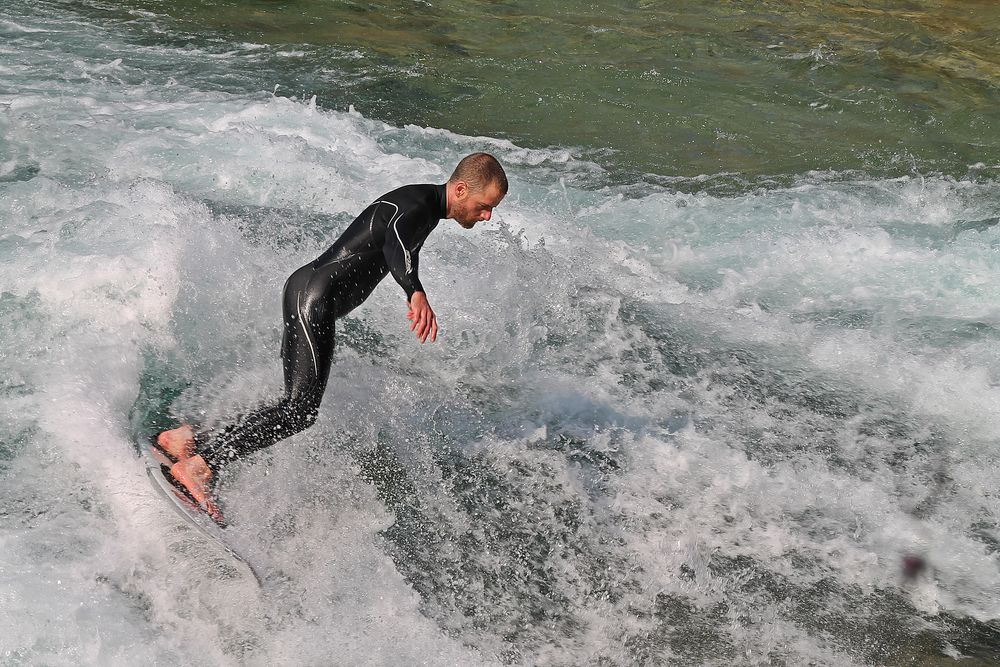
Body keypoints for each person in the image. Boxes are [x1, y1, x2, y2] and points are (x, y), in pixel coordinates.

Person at [153, 152, 508, 521]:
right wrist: (414, 290)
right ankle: (200, 466)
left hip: (310, 295)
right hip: (313, 299)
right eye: (485, 207)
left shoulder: (424, 207)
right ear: (462, 189)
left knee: (292, 403)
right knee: (299, 411)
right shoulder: (417, 204)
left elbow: (396, 243)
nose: (487, 217)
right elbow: (395, 243)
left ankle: (187, 440)